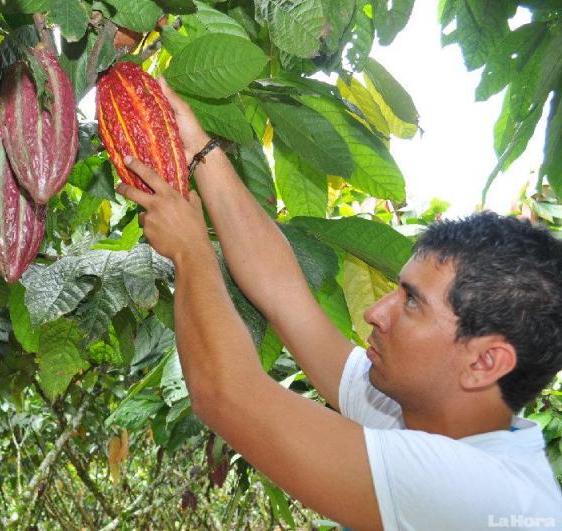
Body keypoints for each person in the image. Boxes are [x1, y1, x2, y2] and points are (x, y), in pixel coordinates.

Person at [115, 77, 562, 530]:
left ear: (486, 361)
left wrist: (191, 249)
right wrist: (200, 153)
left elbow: (225, 394)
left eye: (411, 303)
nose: (374, 312)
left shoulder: (480, 493)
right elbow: (284, 294)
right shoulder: (422, 416)